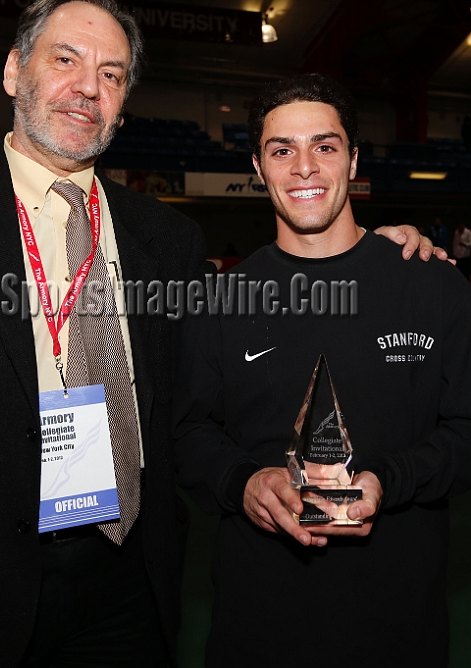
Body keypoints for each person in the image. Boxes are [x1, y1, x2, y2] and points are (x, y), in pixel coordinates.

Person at [0, 0, 437, 668]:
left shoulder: (166, 237)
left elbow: (193, 409)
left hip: (129, 584)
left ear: (124, 102)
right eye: (65, 59)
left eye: (112, 74)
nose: (87, 89)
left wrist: (375, 250)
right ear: (15, 72)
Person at [173, 74, 471, 668]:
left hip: (400, 629)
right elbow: (186, 434)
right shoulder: (221, 300)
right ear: (258, 167)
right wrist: (245, 483)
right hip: (258, 630)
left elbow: (466, 429)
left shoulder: (432, 283)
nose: (304, 167)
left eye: (324, 146)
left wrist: (391, 479)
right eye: (282, 150)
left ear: (353, 158)